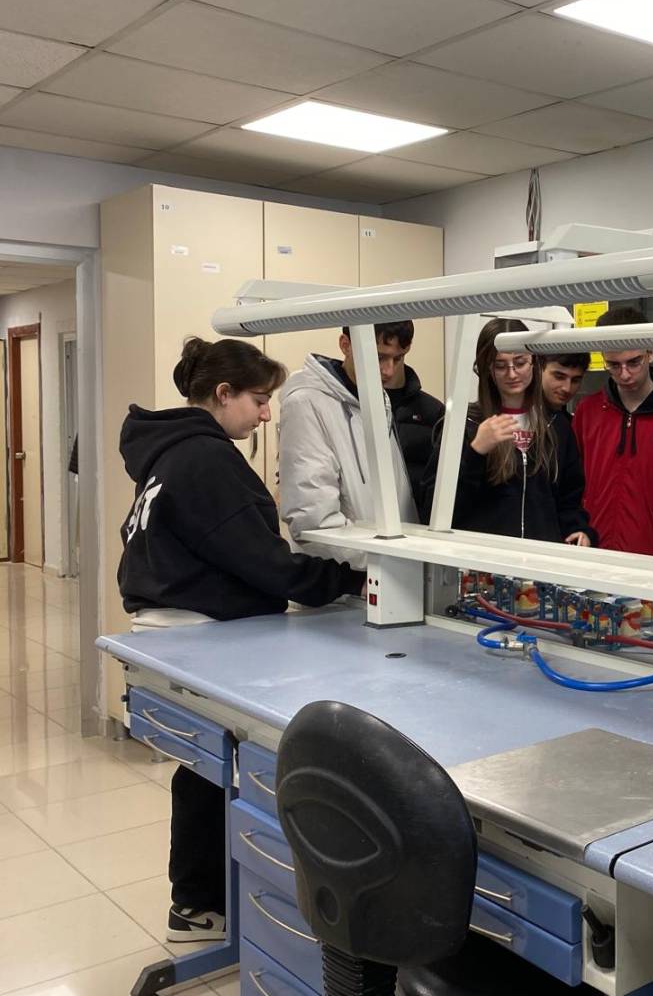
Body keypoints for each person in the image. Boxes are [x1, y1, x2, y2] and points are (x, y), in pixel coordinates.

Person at [118, 337, 363, 943]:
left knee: (203, 768)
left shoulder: (170, 450)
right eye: (258, 399)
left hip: (172, 632)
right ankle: (210, 903)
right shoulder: (206, 458)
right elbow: (267, 564)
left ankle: (197, 903)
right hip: (201, 635)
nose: (266, 414)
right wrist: (349, 579)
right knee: (225, 768)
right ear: (223, 394)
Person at [423, 318, 596, 545]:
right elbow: (433, 510)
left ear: (534, 362)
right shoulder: (463, 424)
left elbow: (569, 501)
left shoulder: (556, 426)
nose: (512, 374)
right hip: (483, 560)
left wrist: (580, 530)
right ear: (486, 369)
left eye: (520, 362)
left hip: (542, 559)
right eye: (500, 365)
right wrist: (475, 452)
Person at [277, 321, 436, 563]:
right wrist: (383, 564)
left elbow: (398, 504)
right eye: (379, 357)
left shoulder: (377, 398)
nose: (389, 371)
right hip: (344, 577)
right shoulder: (305, 403)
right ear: (346, 345)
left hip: (388, 570)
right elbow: (312, 520)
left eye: (398, 358)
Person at [570, 307, 653, 556]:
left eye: (634, 362)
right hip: (593, 550)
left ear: (651, 352)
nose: (624, 374)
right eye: (614, 365)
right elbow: (571, 483)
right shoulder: (588, 411)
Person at [539, 352, 589, 421]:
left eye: (575, 380)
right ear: (538, 370)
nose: (567, 388)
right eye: (559, 377)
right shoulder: (525, 416)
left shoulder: (571, 423)